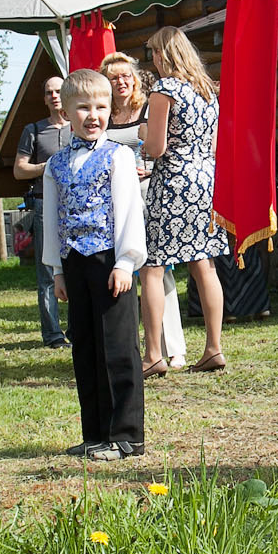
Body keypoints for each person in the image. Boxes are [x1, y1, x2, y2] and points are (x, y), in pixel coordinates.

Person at [44, 67, 147, 461]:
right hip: (74, 262)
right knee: (85, 346)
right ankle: (95, 432)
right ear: (67, 112)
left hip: (110, 261)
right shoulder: (56, 165)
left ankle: (127, 435)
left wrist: (126, 261)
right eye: (83, 108)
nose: (93, 115)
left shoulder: (118, 156)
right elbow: (51, 218)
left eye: (101, 107)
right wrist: (56, 270)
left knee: (118, 347)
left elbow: (128, 211)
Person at [139, 27, 229, 374]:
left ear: (164, 54)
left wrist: (144, 134)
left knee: (152, 267)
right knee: (204, 265)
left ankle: (152, 355)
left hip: (174, 181)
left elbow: (156, 148)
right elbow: (215, 147)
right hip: (205, 179)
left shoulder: (165, 89)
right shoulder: (208, 91)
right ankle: (213, 348)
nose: (153, 61)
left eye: (154, 54)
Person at [103, 50, 187, 369]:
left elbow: (164, 151)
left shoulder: (148, 108)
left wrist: (150, 171)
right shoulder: (104, 113)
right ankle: (131, 347)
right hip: (113, 202)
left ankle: (173, 348)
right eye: (114, 78)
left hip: (147, 194)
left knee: (157, 271)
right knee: (126, 271)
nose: (121, 81)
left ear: (135, 79)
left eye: (126, 76)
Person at [14, 74, 70, 348]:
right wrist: (47, 167)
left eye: (58, 90)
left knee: (76, 267)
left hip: (76, 204)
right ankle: (53, 335)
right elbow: (19, 169)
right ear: (45, 98)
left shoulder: (81, 127)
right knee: (47, 270)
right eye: (49, 92)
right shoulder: (33, 130)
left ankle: (77, 330)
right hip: (43, 203)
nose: (54, 96)